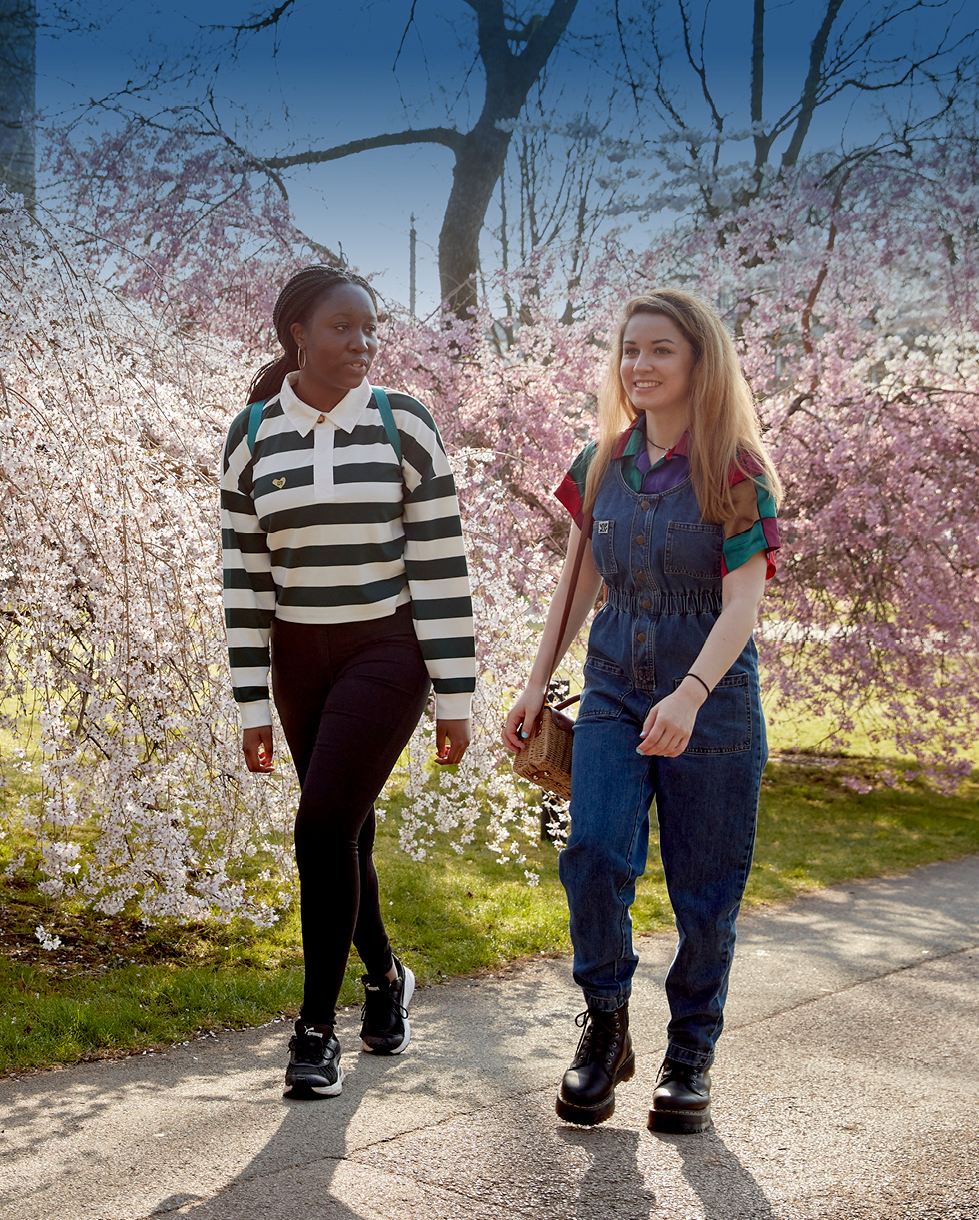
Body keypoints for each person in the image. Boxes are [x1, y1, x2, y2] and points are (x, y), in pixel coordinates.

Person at [502, 287, 782, 1134]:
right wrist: (534, 677)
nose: (640, 366)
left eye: (660, 350)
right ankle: (607, 1026)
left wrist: (691, 696)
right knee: (591, 849)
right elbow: (579, 582)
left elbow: (744, 605)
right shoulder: (602, 462)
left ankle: (689, 1056)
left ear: (699, 361)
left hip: (715, 700)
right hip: (617, 685)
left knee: (705, 895)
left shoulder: (738, 469)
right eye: (630, 350)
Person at [219, 265, 477, 1099]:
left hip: (386, 651)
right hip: (297, 657)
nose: (362, 343)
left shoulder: (406, 425)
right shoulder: (252, 435)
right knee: (347, 834)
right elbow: (245, 583)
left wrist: (456, 695)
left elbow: (442, 568)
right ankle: (385, 979)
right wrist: (253, 703)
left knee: (320, 827)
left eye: (370, 328)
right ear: (297, 333)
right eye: (343, 327)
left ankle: (313, 1031)